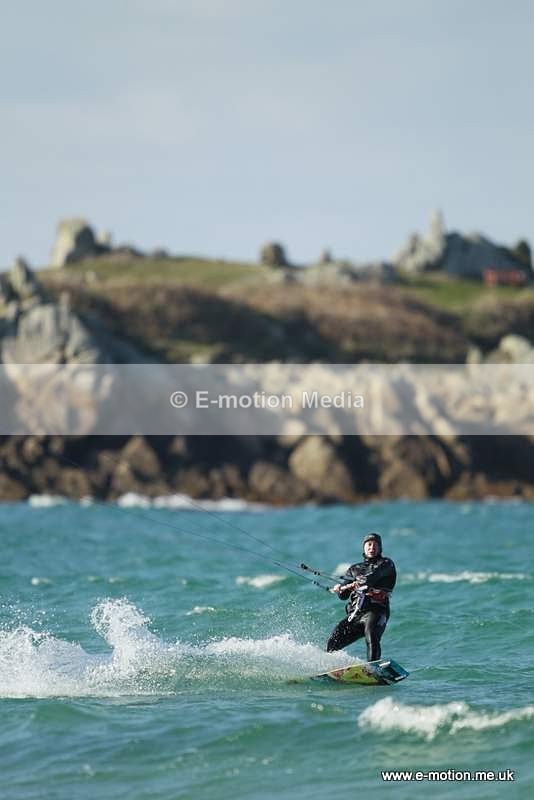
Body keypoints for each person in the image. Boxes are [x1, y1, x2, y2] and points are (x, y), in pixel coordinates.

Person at [326, 532, 396, 661]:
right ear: (364, 547)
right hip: (355, 614)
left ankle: (373, 668)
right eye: (369, 545)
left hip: (376, 611)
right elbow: (343, 596)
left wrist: (354, 583)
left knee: (371, 635)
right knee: (333, 641)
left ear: (380, 548)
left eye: (375, 545)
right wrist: (340, 589)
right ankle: (330, 670)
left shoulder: (386, 564)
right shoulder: (354, 569)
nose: (372, 547)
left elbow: (372, 576)